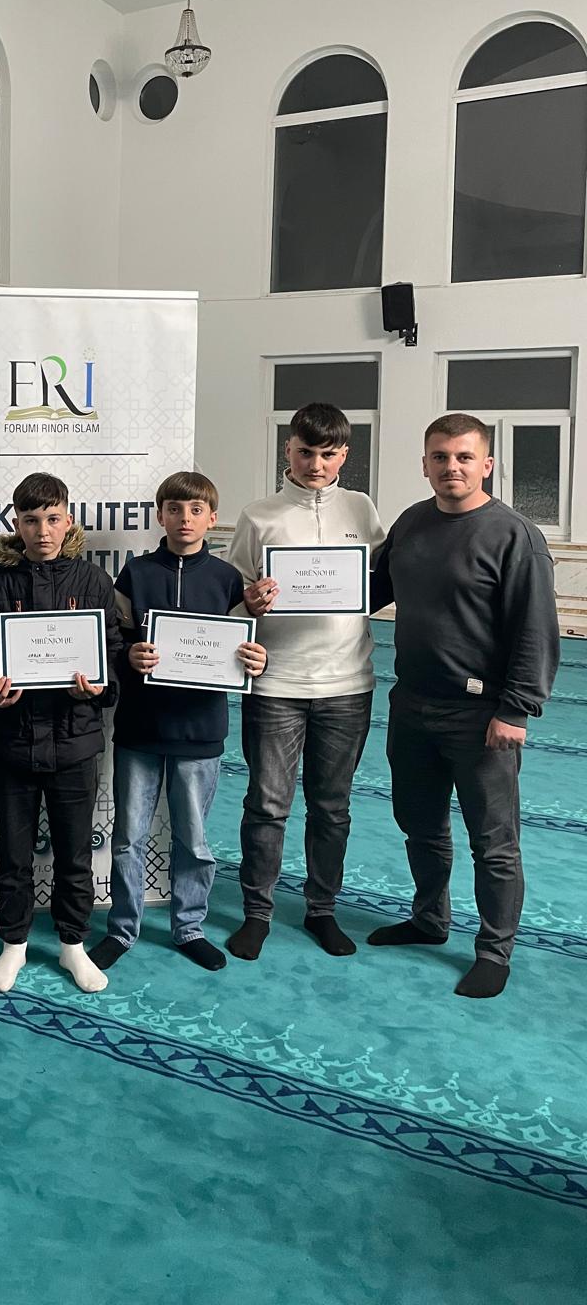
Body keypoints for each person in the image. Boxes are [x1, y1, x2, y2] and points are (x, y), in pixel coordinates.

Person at [366, 413, 559, 999]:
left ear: (487, 465)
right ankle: (429, 919)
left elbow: (536, 630)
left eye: (465, 457)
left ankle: (494, 950)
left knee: (492, 842)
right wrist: (290, 593)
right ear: (425, 464)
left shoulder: (514, 536)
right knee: (420, 826)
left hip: (482, 716)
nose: (452, 467)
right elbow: (369, 591)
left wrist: (517, 709)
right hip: (412, 705)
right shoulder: (410, 523)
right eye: (441, 457)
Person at [225, 402, 385, 961]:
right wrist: (249, 603)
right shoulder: (259, 516)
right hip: (276, 685)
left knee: (332, 807)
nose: (316, 465)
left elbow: (376, 583)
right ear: (287, 450)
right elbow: (231, 596)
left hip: (347, 683)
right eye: (305, 452)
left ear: (345, 455)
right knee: (267, 806)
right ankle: (256, 913)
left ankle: (322, 910)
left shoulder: (362, 509)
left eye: (328, 454)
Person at [90, 471, 266, 974]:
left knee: (193, 839)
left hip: (200, 730)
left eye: (195, 510)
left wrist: (256, 661)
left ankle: (189, 926)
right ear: (160, 515)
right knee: (128, 837)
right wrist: (129, 658)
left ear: (212, 518)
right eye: (174, 509)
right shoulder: (135, 574)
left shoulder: (228, 580)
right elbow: (115, 642)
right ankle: (122, 928)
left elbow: (243, 648)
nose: (184, 519)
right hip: (140, 728)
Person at [0, 472, 124, 994]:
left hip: (75, 742)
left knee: (75, 855)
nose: (42, 531)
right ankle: (12, 944)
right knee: (13, 856)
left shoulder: (94, 582)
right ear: (15, 522)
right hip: (14, 743)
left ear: (68, 521)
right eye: (31, 520)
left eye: (53, 519)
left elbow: (112, 660)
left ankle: (72, 945)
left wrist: (98, 689)